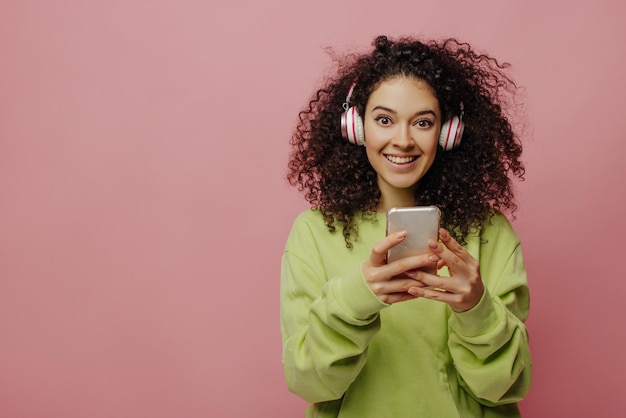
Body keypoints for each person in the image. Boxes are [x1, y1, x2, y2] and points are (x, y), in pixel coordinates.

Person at [280, 35, 531, 418]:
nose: (403, 140)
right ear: (356, 126)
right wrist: (357, 297)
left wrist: (476, 309)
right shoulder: (314, 232)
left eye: (423, 123)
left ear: (448, 133)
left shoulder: (489, 232)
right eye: (384, 119)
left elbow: (504, 388)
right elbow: (308, 383)